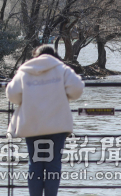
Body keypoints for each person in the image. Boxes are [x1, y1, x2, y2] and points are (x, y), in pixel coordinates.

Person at [6, 44, 85, 196]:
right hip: (57, 125)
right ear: (54, 56)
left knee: (35, 165)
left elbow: (12, 95)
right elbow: (77, 90)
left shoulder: (25, 71)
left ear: (36, 56)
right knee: (53, 165)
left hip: (32, 124)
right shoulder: (62, 69)